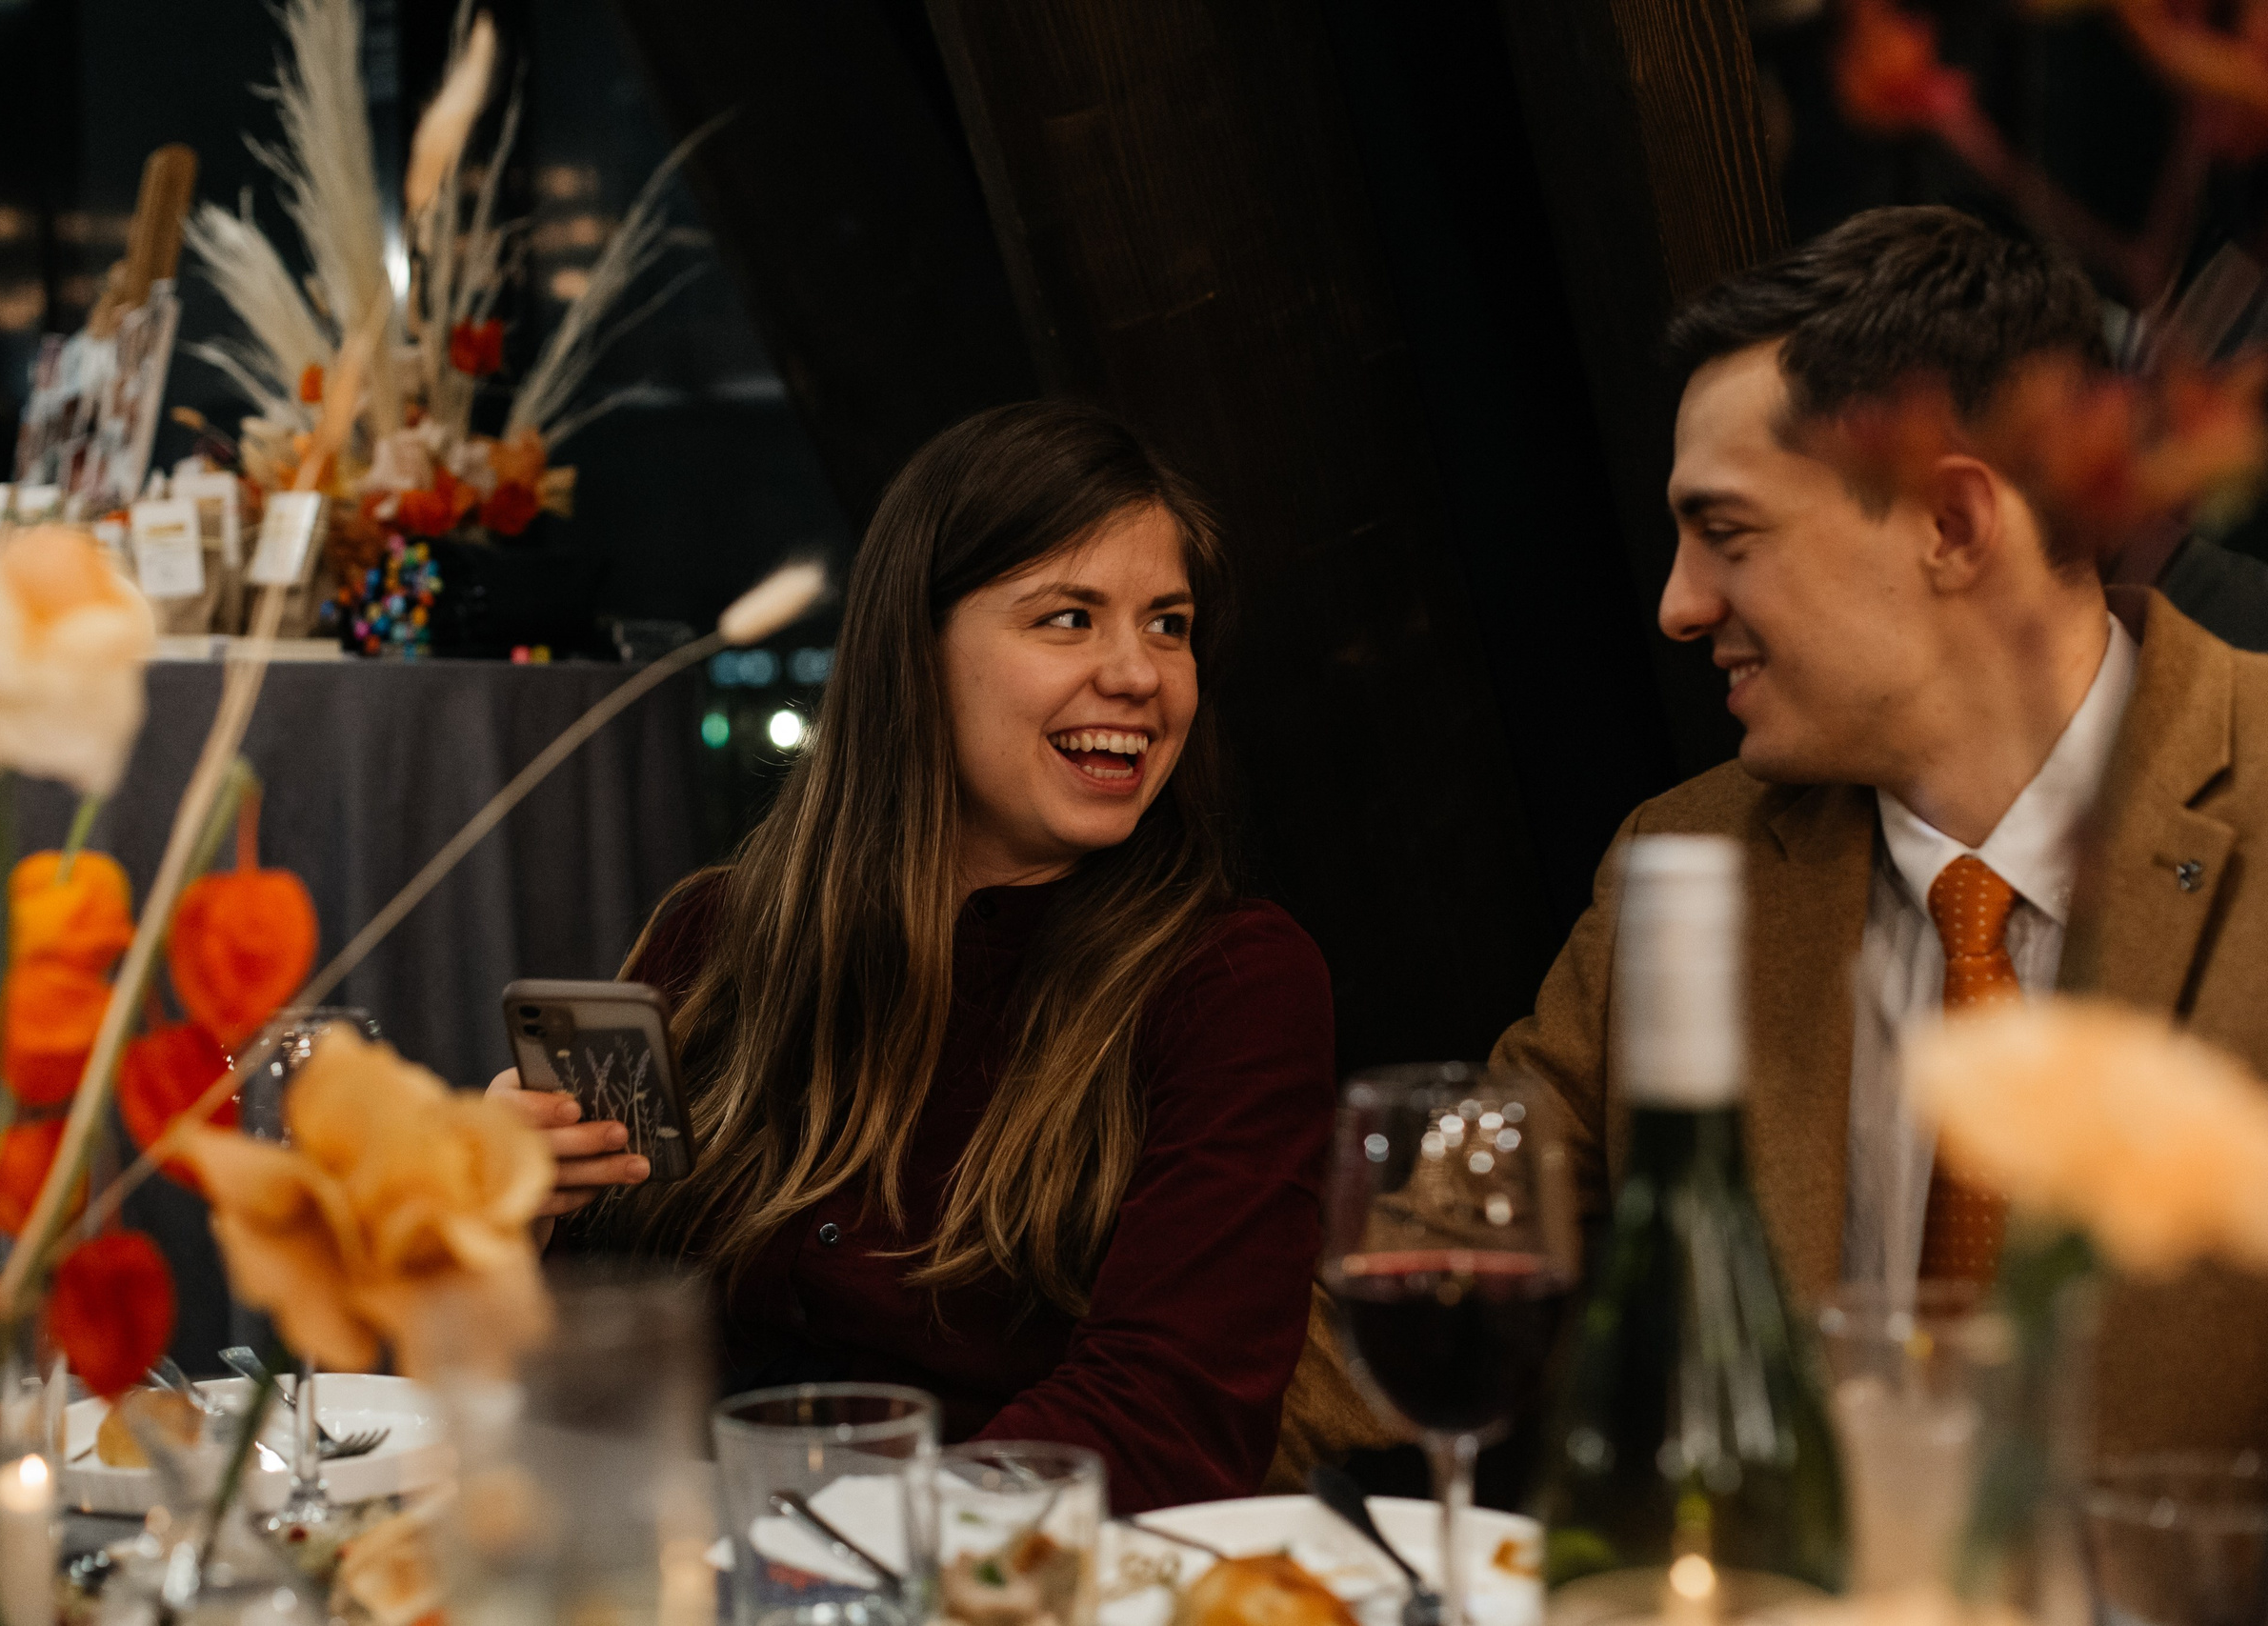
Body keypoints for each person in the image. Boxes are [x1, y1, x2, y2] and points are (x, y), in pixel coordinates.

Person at [491, 400, 1376, 1512]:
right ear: (914, 650)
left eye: (1168, 624)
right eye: (1068, 618)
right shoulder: (712, 937)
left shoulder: (1229, 984)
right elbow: (588, 1360)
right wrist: (507, 1226)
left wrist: (837, 1547)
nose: (1141, 675)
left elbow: (1167, 1410)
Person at [1493, 205, 2268, 1455]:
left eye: (1728, 533)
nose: (1679, 605)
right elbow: (1450, 1255)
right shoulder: (1682, 868)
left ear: (1953, 526)